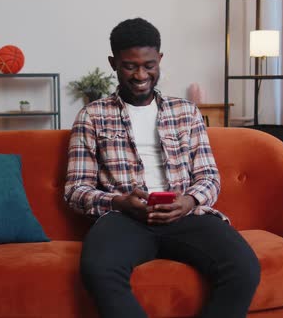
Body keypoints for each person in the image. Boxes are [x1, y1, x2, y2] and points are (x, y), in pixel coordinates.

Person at [64, 17, 260, 318]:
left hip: (184, 213)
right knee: (97, 269)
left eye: (149, 65)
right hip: (123, 217)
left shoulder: (187, 112)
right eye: (130, 66)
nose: (141, 75)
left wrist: (189, 201)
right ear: (113, 63)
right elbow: (76, 190)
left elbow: (209, 177)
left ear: (160, 60)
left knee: (244, 267)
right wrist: (119, 202)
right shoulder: (92, 116)